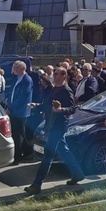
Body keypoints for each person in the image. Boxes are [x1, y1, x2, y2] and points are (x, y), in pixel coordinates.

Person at [24, 67, 84, 195]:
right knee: (64, 151)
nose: (54, 75)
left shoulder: (66, 91)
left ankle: (36, 184)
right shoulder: (53, 89)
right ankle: (78, 173)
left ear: (63, 76)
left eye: (57, 74)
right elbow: (47, 105)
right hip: (50, 125)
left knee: (48, 156)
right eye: (54, 73)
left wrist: (61, 110)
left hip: (59, 127)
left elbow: (72, 109)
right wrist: (36, 105)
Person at [7, 60, 33, 165]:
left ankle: (21, 155)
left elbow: (23, 98)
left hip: (21, 112)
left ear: (23, 68)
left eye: (16, 67)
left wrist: (11, 108)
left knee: (20, 134)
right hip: (14, 110)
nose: (14, 69)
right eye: (14, 67)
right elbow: (11, 92)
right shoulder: (16, 79)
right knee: (16, 134)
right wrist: (8, 102)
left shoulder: (27, 80)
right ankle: (19, 153)